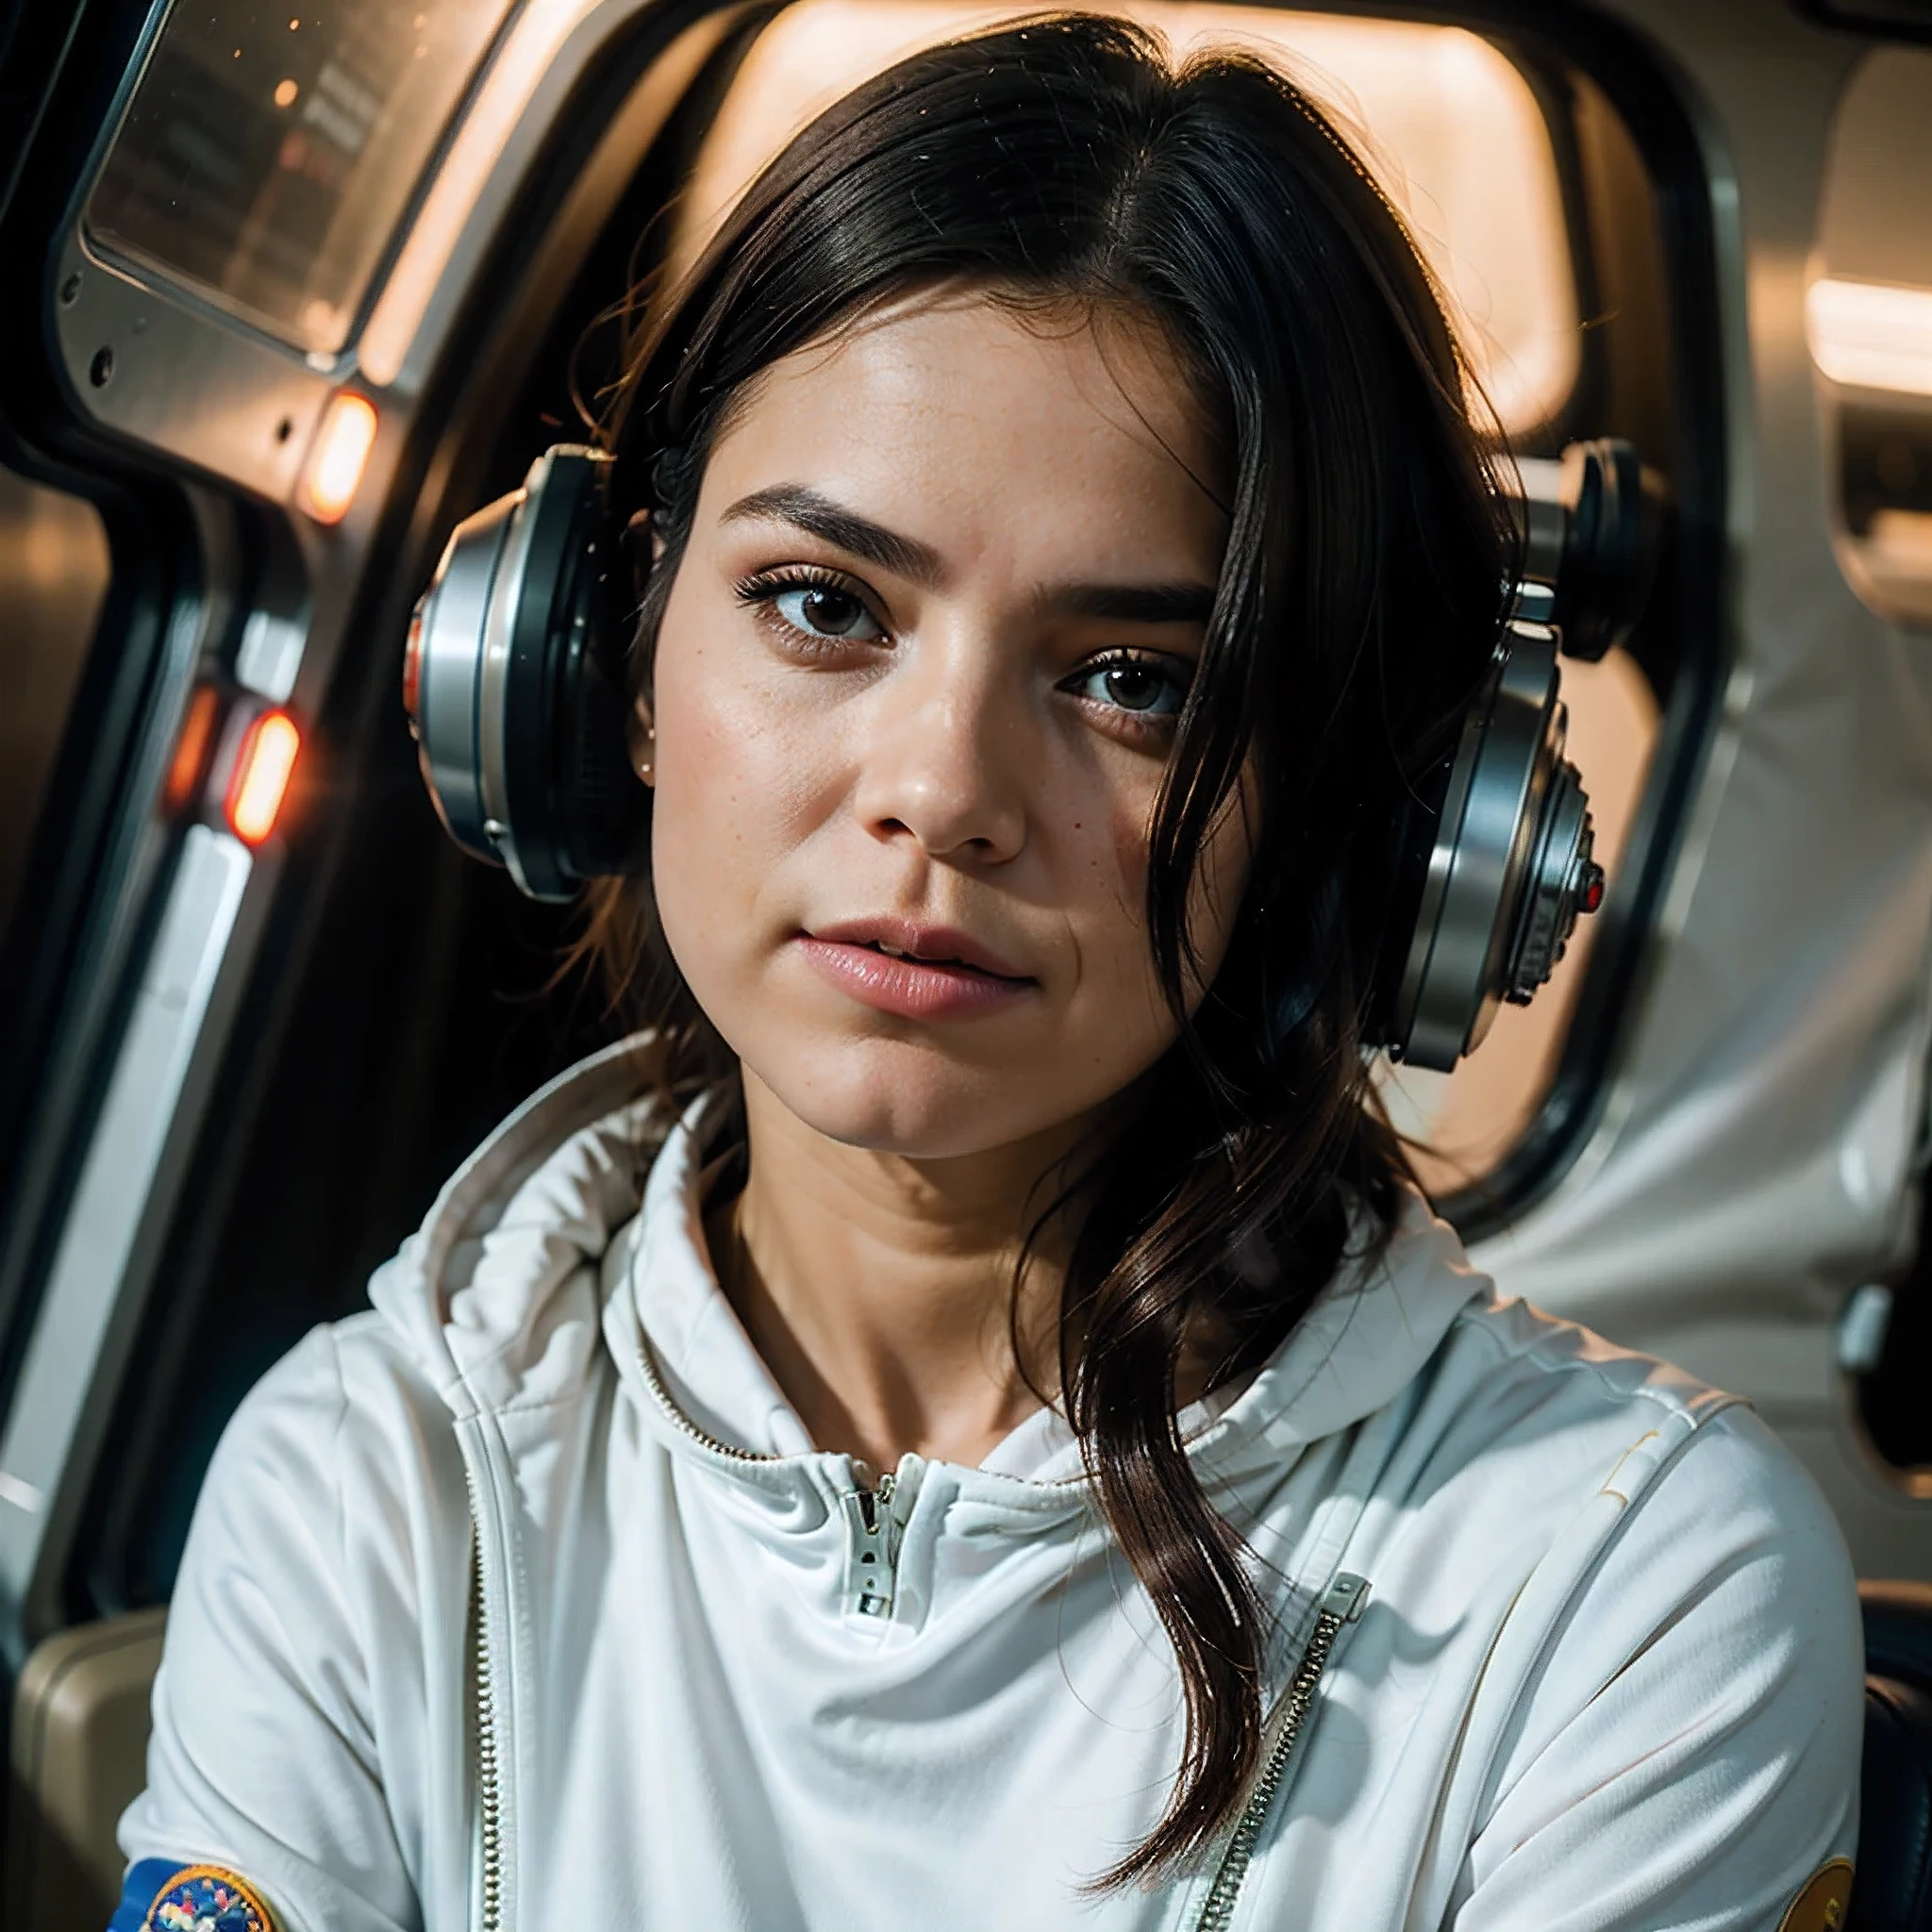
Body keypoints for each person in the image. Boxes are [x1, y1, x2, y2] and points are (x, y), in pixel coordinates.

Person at [111, 17, 1860, 1931]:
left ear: (1363, 821)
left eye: (1135, 680)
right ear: (599, 660)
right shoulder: (361, 1489)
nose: (940, 794)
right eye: (823, 606)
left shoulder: (1624, 1585)